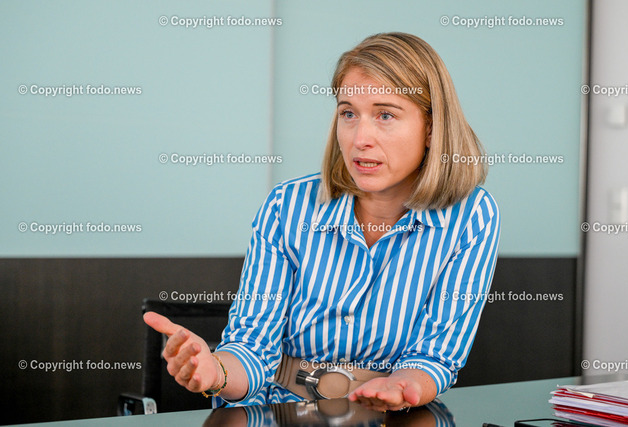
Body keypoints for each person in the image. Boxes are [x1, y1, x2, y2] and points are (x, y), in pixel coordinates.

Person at [144, 32, 500, 413]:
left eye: (385, 115)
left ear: (431, 128)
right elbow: (252, 348)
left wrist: (404, 385)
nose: (360, 138)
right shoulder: (287, 206)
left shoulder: (471, 217)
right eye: (349, 113)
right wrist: (216, 371)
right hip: (277, 412)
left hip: (391, 417)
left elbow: (436, 356)